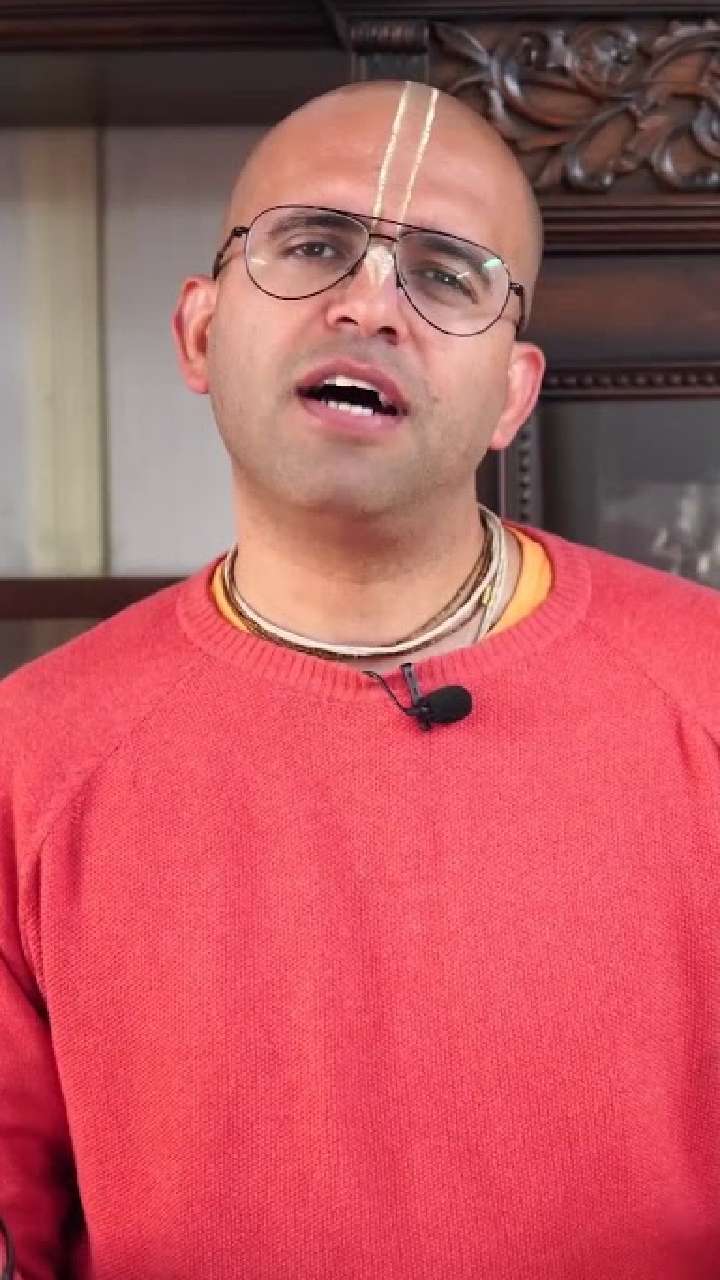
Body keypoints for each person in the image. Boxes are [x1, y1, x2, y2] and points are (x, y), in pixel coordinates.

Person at [1, 78, 719, 1280]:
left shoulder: (706, 691)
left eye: (446, 273)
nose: (370, 303)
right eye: (313, 244)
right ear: (199, 331)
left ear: (513, 393)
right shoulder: (29, 756)